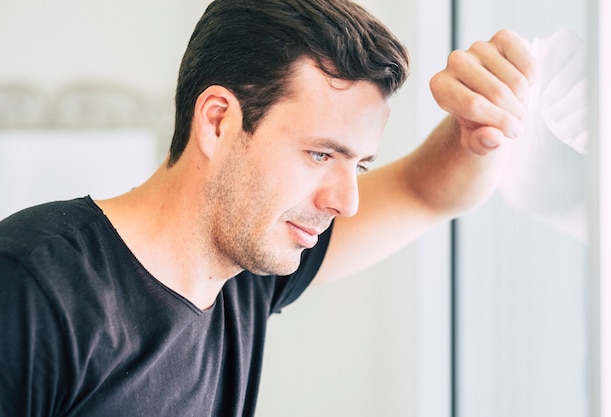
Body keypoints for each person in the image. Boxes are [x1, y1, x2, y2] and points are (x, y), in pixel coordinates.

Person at [0, 0, 535, 416]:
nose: (345, 201)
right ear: (217, 122)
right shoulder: (33, 287)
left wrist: (480, 129)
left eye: (359, 165)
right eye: (320, 154)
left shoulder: (245, 269)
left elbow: (426, 191)